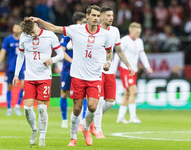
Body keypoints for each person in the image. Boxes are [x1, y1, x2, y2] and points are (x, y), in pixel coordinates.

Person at [30, 5, 134, 146]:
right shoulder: (76, 30)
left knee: (92, 107)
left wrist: (108, 63)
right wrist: (39, 20)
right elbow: (54, 28)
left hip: (95, 77)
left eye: (98, 16)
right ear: (87, 16)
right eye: (94, 15)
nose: (96, 18)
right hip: (78, 76)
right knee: (77, 109)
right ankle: (73, 137)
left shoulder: (106, 35)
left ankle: (86, 128)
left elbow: (109, 53)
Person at [12, 17, 64, 146]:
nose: (33, 35)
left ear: (36, 24)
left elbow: (61, 54)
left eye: (33, 32)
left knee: (41, 108)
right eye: (30, 34)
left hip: (44, 77)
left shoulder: (50, 35)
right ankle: (34, 129)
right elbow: (20, 55)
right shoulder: (24, 36)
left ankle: (42, 136)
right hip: (29, 77)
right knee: (27, 109)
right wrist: (16, 74)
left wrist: (52, 60)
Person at [94, 6, 134, 139]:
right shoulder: (95, 31)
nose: (111, 18)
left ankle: (87, 121)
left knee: (110, 102)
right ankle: (98, 129)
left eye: (112, 15)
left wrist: (128, 65)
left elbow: (118, 50)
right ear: (101, 17)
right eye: (108, 15)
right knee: (99, 100)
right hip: (96, 70)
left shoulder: (115, 31)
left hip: (109, 71)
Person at [114, 22, 153, 124]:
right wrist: (113, 70)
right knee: (134, 91)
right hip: (125, 69)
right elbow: (117, 54)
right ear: (131, 31)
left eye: (139, 32)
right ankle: (133, 117)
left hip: (134, 70)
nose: (138, 34)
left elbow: (142, 54)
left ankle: (120, 117)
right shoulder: (125, 40)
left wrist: (147, 66)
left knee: (127, 94)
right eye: (136, 32)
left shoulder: (139, 41)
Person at [59, 12, 88, 128]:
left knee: (83, 95)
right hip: (68, 69)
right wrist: (73, 62)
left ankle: (83, 120)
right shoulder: (69, 33)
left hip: (82, 70)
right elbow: (62, 51)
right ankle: (64, 119)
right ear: (78, 23)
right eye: (84, 22)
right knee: (64, 94)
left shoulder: (88, 35)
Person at [0, 23, 24, 116]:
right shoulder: (8, 39)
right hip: (10, 67)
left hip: (22, 67)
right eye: (14, 27)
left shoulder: (24, 39)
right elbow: (3, 52)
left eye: (17, 27)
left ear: (21, 29)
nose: (15, 29)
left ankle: (17, 106)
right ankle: (9, 108)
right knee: (9, 87)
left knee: (24, 86)